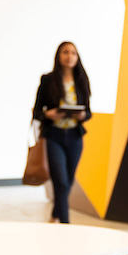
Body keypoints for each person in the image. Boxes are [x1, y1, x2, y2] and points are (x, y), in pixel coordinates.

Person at [32, 41, 91, 224]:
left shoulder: (81, 80)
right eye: (65, 52)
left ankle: (56, 213)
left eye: (73, 53)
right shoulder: (48, 80)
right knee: (61, 182)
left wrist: (82, 115)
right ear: (59, 55)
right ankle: (65, 225)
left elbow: (89, 111)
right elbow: (36, 111)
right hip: (54, 136)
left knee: (68, 182)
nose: (69, 56)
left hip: (74, 136)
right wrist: (48, 114)